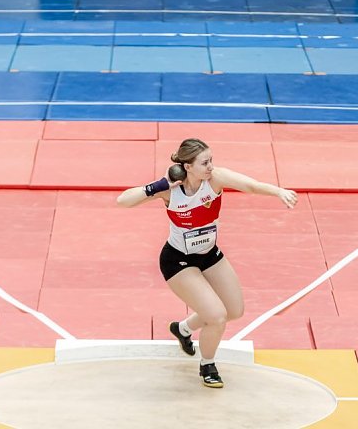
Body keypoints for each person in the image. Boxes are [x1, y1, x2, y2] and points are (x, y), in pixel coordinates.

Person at [116, 138, 298, 388]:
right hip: (178, 261)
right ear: (187, 167)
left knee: (235, 311)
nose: (211, 166)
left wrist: (278, 192)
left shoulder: (216, 179)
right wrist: (157, 186)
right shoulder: (170, 190)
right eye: (205, 163)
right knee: (216, 316)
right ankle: (207, 365)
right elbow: (123, 201)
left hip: (210, 255)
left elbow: (251, 185)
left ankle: (183, 329)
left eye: (211, 160)